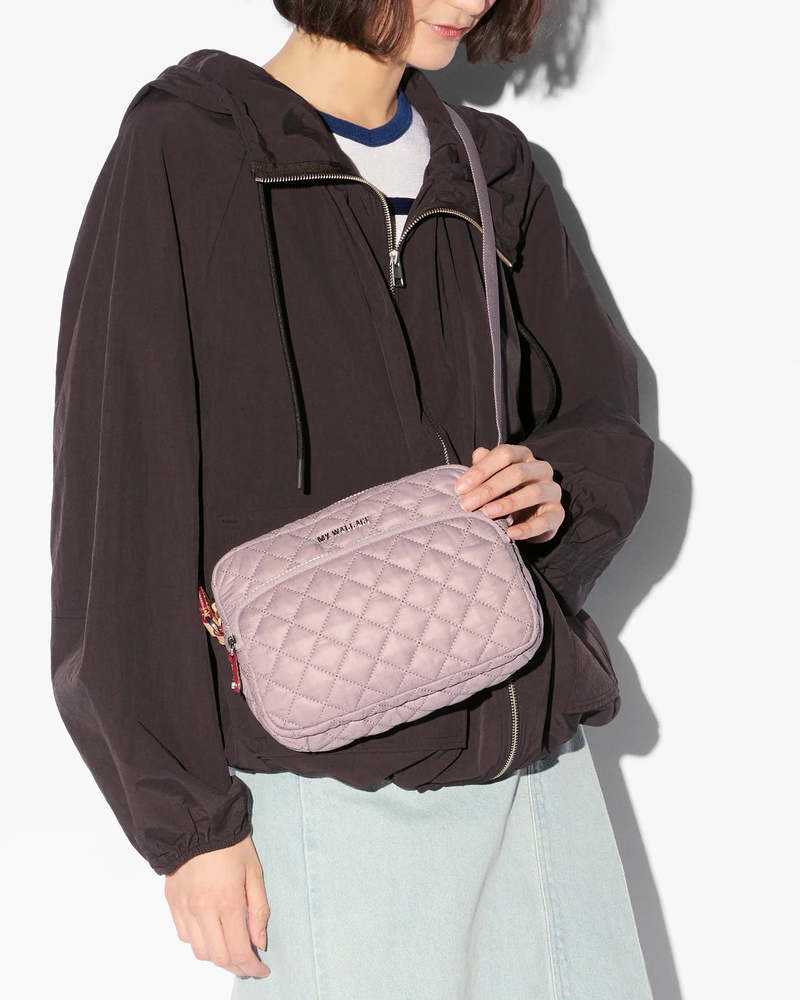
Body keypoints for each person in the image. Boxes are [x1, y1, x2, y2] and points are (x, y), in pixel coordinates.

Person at [50, 2, 656, 996]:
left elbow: (600, 413)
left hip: (535, 778)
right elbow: (121, 496)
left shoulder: (492, 167)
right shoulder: (189, 148)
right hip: (327, 788)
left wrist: (556, 492)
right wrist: (188, 824)